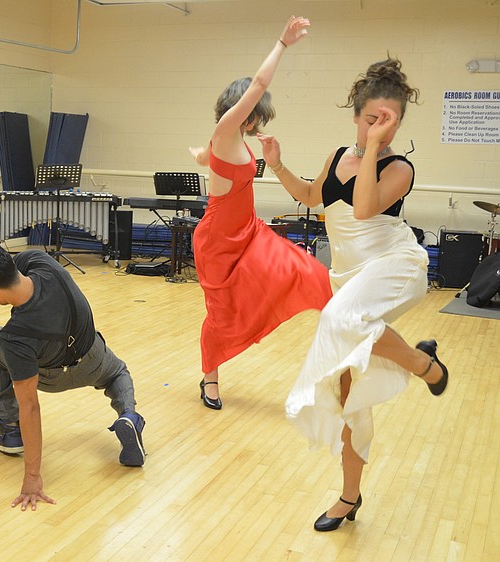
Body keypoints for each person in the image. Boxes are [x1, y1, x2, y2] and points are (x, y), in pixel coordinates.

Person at [258, 57, 449, 532]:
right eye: (371, 120)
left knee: (339, 321)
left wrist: (376, 147)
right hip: (348, 280)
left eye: (390, 121)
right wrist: (278, 164)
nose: (379, 128)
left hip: (394, 268)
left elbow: (363, 208)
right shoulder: (339, 153)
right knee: (349, 395)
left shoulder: (399, 167)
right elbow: (311, 196)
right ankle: (349, 497)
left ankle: (423, 365)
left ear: (398, 123)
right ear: (356, 116)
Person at [0, 242, 146, 511]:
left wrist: (32, 477)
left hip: (50, 374)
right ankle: (128, 415)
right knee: (118, 372)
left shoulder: (16, 336)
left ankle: (11, 432)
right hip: (92, 357)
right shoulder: (41, 262)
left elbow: (31, 407)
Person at [188, 16, 331, 411]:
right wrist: (282, 44)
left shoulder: (227, 140)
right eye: (253, 114)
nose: (254, 121)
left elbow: (205, 155)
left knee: (306, 271)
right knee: (221, 313)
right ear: (241, 111)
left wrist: (202, 156)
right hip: (219, 241)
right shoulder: (225, 128)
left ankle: (342, 339)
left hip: (248, 233)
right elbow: (259, 85)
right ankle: (210, 379)